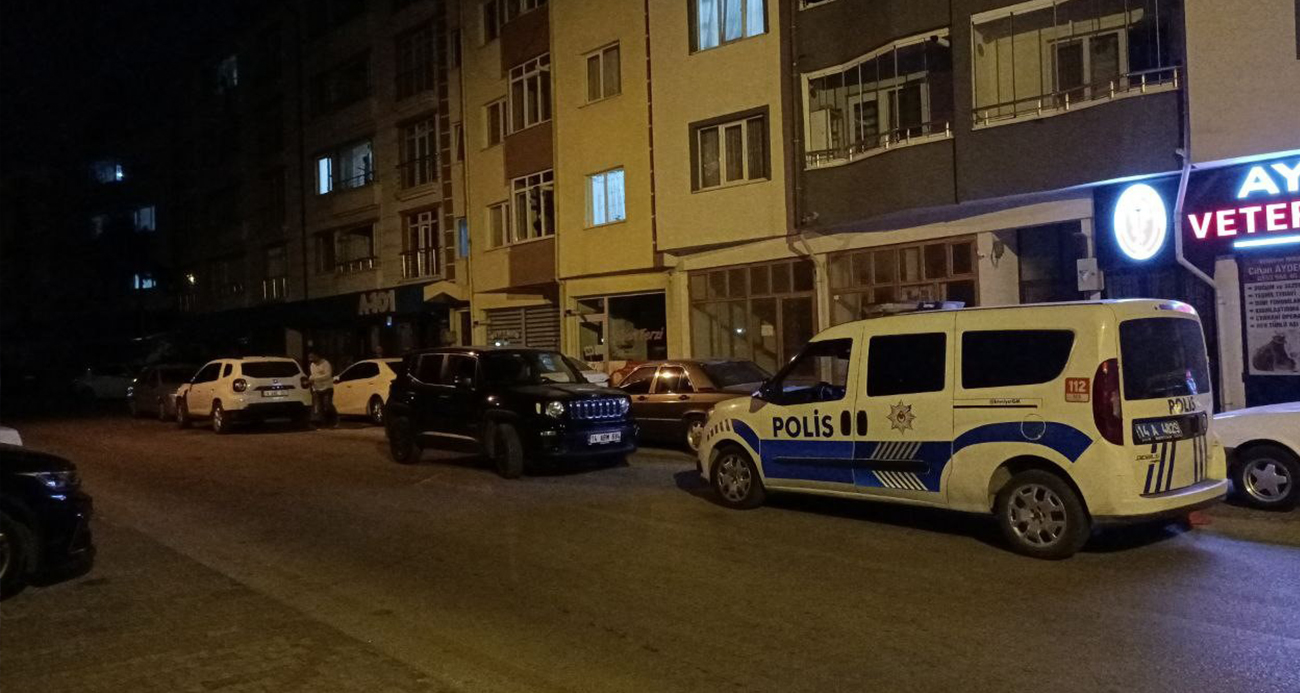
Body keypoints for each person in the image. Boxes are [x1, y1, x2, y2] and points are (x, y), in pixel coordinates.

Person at [307, 351, 337, 427]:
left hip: (327, 387)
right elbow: (313, 375)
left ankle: (334, 420)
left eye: (312, 357)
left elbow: (328, 375)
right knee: (318, 407)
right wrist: (310, 380)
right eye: (310, 357)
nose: (311, 359)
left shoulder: (325, 363)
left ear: (317, 356)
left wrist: (315, 379)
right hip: (316, 388)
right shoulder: (312, 365)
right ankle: (321, 422)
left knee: (327, 404)